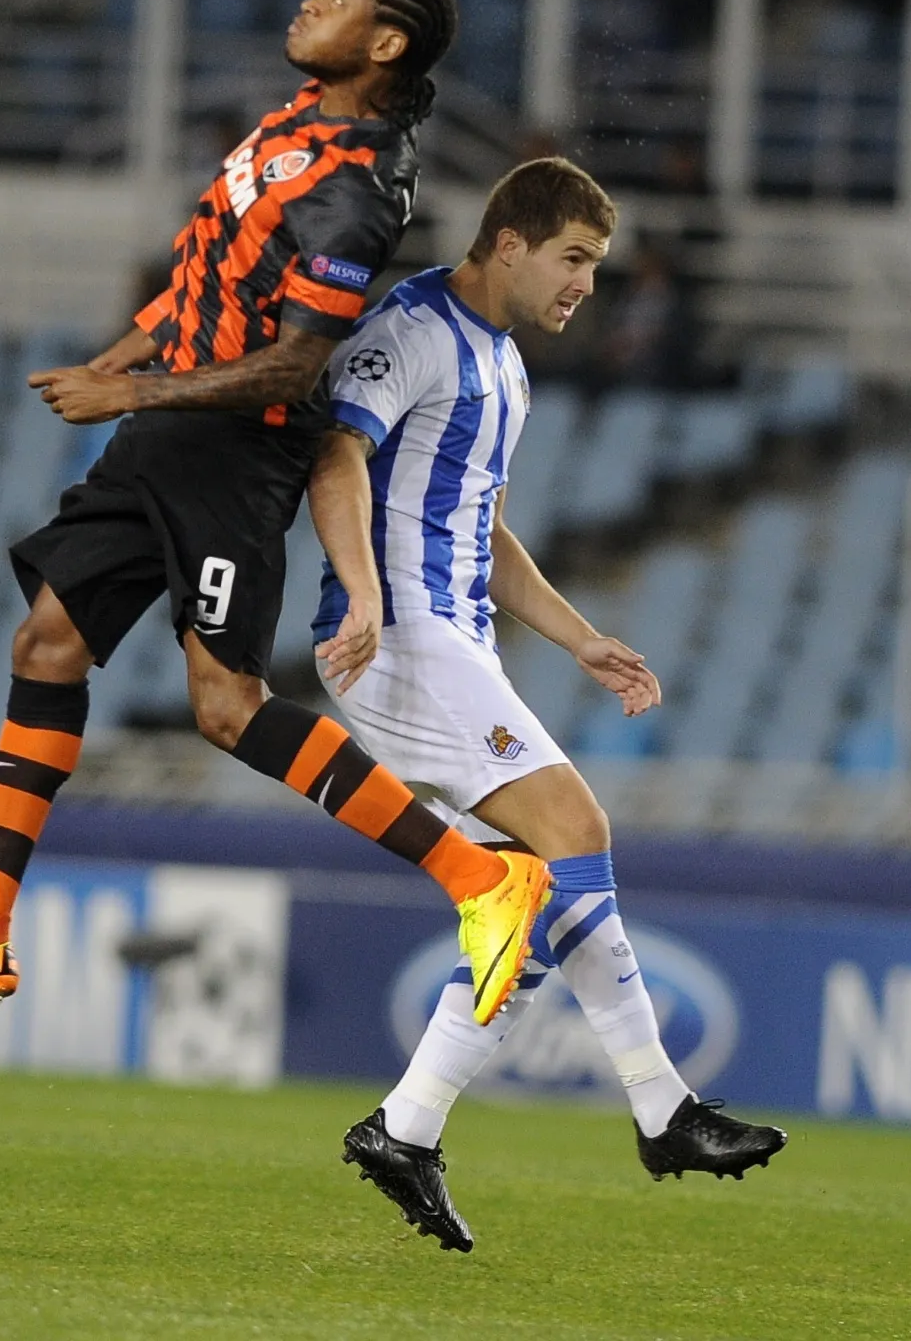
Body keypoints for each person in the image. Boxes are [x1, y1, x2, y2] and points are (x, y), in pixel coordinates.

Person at [0, 0, 549, 1027]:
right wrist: (128, 361)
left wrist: (129, 394)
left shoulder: (358, 191)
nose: (312, 0)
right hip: (169, 430)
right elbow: (207, 276)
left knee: (227, 708)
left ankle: (480, 877)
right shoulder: (297, 122)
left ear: (387, 43)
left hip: (236, 453)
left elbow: (294, 368)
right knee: (47, 646)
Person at [308, 156, 787, 1253]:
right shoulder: (415, 328)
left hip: (452, 636)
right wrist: (370, 593)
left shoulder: (508, 365)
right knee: (578, 829)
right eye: (574, 259)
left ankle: (406, 1126)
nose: (586, 284)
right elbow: (336, 453)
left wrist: (581, 641)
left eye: (597, 266)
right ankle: (663, 1108)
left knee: (518, 894)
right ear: (511, 243)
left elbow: (483, 527)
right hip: (402, 641)